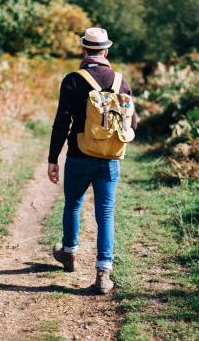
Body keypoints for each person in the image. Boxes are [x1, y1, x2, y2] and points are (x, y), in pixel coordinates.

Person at [47, 27, 137, 294]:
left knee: (73, 205)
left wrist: (53, 158)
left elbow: (61, 122)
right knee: (106, 214)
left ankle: (69, 253)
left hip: (77, 155)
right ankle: (103, 272)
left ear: (84, 50)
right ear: (106, 51)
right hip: (109, 159)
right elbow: (132, 123)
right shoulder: (121, 81)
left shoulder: (73, 79)